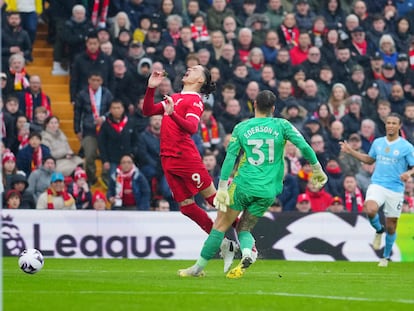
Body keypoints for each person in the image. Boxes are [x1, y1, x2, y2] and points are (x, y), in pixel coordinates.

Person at [178, 90, 328, 278]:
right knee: (245, 227)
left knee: (220, 226)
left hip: (243, 185)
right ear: (273, 108)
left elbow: (230, 158)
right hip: (268, 191)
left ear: (254, 104)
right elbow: (304, 146)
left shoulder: (242, 127)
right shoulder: (283, 125)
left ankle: (197, 268)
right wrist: (317, 168)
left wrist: (222, 187)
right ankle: (248, 253)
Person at [143, 65, 238, 272]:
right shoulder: (175, 97)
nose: (189, 69)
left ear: (200, 81)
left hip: (185, 157)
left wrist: (172, 113)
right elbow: (148, 111)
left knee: (213, 199)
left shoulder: (194, 100)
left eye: (195, 69)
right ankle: (223, 244)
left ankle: (248, 239)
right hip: (167, 158)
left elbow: (192, 128)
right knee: (186, 206)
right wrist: (150, 88)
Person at [340, 113, 414, 267]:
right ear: (385, 125)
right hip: (378, 184)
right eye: (388, 122)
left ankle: (385, 257)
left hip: (395, 189)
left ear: (399, 126)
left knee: (392, 225)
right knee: (370, 209)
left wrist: (409, 173)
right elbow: (369, 159)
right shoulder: (378, 143)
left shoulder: (406, 147)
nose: (391, 125)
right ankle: (378, 230)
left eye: (394, 123)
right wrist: (350, 151)